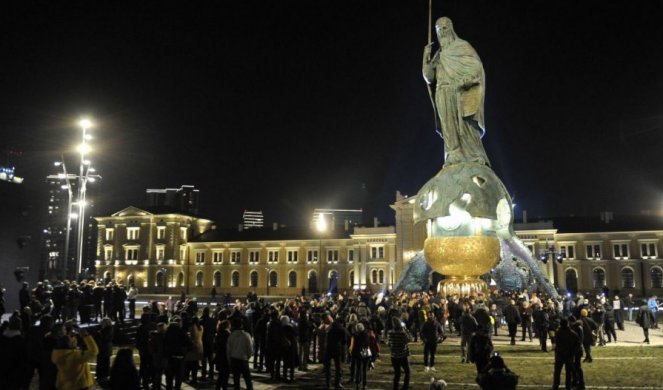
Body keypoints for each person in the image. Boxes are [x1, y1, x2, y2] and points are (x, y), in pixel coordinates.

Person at [422, 16, 490, 166]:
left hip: (460, 92)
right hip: (442, 92)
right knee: (449, 127)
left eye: (444, 28)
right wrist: (425, 56)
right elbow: (429, 78)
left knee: (465, 126)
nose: (442, 32)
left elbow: (477, 68)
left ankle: (474, 155)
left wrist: (467, 80)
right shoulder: (439, 54)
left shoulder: (462, 46)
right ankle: (453, 155)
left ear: (451, 28)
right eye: (438, 30)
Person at [552, 318, 581, 390]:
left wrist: (557, 351)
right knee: (568, 373)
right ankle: (568, 386)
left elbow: (556, 343)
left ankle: (555, 386)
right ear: (567, 324)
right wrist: (573, 353)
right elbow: (577, 345)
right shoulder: (573, 333)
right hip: (569, 356)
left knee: (557, 372)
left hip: (560, 355)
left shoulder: (558, 332)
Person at [227, 317, 254, 390]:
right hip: (243, 359)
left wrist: (229, 360)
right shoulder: (246, 335)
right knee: (248, 380)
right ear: (241, 325)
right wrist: (248, 356)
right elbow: (250, 349)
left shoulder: (231, 336)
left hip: (234, 359)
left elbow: (228, 350)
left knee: (236, 380)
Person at [323, 313, 349, 390]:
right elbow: (345, 338)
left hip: (329, 348)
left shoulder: (331, 327)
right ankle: (337, 383)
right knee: (338, 367)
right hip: (337, 348)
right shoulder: (340, 327)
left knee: (328, 367)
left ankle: (328, 383)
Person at [388, 317, 411, 390]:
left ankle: (395, 387)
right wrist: (406, 330)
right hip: (402, 355)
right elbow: (409, 339)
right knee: (407, 372)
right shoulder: (402, 333)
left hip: (394, 356)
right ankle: (405, 387)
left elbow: (389, 343)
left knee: (397, 374)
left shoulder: (390, 333)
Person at [349, 322, 370, 390]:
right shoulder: (366, 334)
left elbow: (352, 345)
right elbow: (367, 344)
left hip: (356, 352)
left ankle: (357, 383)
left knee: (358, 368)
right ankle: (364, 384)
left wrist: (351, 352)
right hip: (364, 351)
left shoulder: (354, 335)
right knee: (364, 369)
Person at [568, 316, 586, 390]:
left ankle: (580, 383)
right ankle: (576, 381)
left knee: (577, 367)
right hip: (577, 350)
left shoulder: (576, 328)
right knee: (574, 367)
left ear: (571, 321)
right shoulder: (577, 327)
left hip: (576, 351)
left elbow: (578, 341)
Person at [95, 318, 114, 384]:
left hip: (104, 348)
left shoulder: (107, 330)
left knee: (103, 361)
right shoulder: (109, 329)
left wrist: (99, 333)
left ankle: (102, 375)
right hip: (106, 347)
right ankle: (103, 375)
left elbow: (104, 338)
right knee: (104, 361)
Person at [215, 320, 231, 390]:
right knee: (225, 376)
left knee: (221, 375)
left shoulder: (219, 333)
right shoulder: (227, 334)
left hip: (219, 356)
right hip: (225, 357)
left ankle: (217, 388)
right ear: (227, 326)